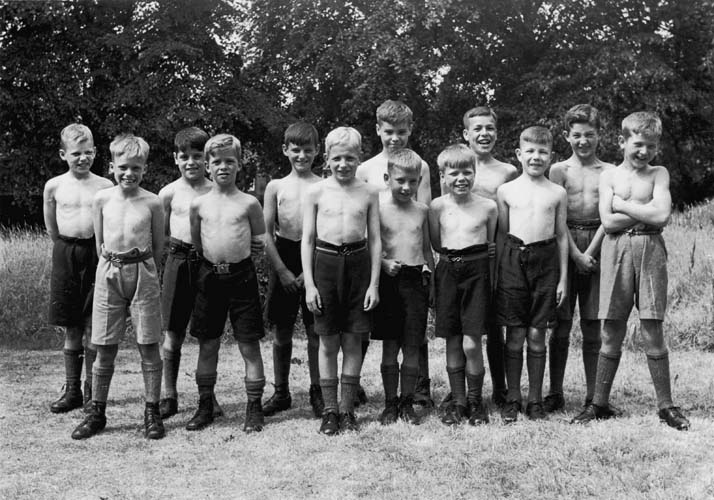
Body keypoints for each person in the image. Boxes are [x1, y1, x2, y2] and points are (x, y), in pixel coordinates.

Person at [571, 112, 689, 430]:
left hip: (651, 250)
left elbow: (662, 215)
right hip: (616, 250)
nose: (644, 152)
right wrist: (644, 212)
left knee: (653, 328)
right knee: (611, 329)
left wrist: (622, 206)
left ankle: (666, 406)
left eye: (651, 146)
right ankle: (598, 403)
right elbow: (607, 224)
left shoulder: (658, 173)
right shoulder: (609, 176)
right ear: (622, 141)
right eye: (638, 144)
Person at [71, 134, 166, 439]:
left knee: (149, 343)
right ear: (111, 166)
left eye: (136, 168)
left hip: (143, 271)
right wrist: (111, 265)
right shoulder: (102, 199)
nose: (129, 173)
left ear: (145, 169)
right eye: (123, 167)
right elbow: (100, 243)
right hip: (109, 271)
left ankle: (152, 411)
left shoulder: (152, 202)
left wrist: (143, 267)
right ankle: (96, 411)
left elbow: (159, 245)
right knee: (104, 345)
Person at [184, 134, 268, 433]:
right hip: (209, 277)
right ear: (207, 166)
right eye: (216, 161)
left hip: (241, 277)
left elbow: (259, 242)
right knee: (208, 344)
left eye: (229, 161)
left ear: (239, 164)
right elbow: (197, 242)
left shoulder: (249, 203)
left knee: (249, 344)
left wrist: (242, 262)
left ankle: (254, 408)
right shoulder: (198, 204)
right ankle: (205, 405)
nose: (223, 167)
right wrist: (213, 262)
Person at [302, 126, 381, 434]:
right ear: (327, 158)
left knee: (352, 339)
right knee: (327, 340)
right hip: (325, 264)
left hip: (358, 265)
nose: (344, 164)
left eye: (350, 158)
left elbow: (375, 239)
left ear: (359, 158)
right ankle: (330, 410)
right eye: (337, 158)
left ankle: (348, 410)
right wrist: (309, 283)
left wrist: (374, 283)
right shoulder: (316, 192)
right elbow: (307, 239)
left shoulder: (369, 192)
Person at [356, 99, 434, 407]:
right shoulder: (365, 169)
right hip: (378, 265)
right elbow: (360, 222)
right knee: (374, 331)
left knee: (415, 334)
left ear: (410, 130)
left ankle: (419, 388)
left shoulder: (420, 166)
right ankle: (359, 384)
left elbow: (421, 216)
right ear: (378, 129)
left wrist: (429, 268)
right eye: (389, 131)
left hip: (413, 265)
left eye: (401, 132)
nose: (395, 138)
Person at [496, 126, 568, 423]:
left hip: (546, 262)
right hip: (513, 261)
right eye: (530, 151)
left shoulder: (557, 193)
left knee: (537, 334)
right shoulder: (507, 190)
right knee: (514, 334)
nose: (535, 157)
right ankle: (513, 396)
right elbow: (501, 235)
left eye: (542, 152)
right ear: (518, 154)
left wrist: (563, 278)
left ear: (551, 156)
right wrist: (498, 274)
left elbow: (562, 236)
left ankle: (535, 399)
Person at [545, 105, 615, 412]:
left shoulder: (610, 172)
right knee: (560, 324)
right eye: (576, 135)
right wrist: (574, 253)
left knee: (591, 325)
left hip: (598, 245)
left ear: (600, 135)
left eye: (589, 134)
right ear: (566, 136)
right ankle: (555, 392)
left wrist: (589, 253)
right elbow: (556, 218)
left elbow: (609, 216)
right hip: (564, 244)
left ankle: (593, 396)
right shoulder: (559, 170)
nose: (583, 141)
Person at [43, 124, 113, 414]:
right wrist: (66, 249)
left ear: (95, 152)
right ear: (63, 154)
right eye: (75, 153)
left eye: (87, 153)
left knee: (93, 325)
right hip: (67, 253)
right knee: (71, 325)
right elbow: (52, 227)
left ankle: (91, 390)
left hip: (97, 253)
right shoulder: (55, 185)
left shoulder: (105, 186)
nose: (82, 158)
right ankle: (71, 389)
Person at [429, 144, 498, 426]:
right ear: (443, 176)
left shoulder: (488, 206)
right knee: (453, 340)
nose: (461, 178)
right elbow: (435, 242)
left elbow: (491, 242)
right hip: (448, 270)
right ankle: (457, 401)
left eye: (467, 172)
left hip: (477, 272)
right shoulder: (437, 206)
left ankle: (474, 400)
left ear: (475, 172)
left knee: (472, 342)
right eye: (453, 173)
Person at [262, 122, 324, 418]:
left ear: (317, 151)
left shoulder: (323, 184)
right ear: (285, 150)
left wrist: (308, 271)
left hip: (314, 256)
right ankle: (281, 391)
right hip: (283, 256)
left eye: (307, 150)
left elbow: (323, 232)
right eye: (295, 149)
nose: (302, 155)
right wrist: (282, 271)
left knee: (316, 333)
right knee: (281, 332)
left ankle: (318, 390)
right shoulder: (276, 186)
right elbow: (265, 233)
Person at [157, 127, 216, 420]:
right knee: (173, 333)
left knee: (208, 333)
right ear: (175, 159)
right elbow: (163, 235)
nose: (191, 162)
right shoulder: (168, 193)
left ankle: (208, 396)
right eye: (185, 156)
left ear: (207, 159)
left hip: (207, 264)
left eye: (197, 156)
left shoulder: (215, 189)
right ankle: (169, 394)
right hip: (178, 262)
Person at [462, 106, 518, 407]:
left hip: (496, 255)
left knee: (496, 326)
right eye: (478, 129)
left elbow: (508, 216)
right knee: (465, 327)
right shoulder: (457, 165)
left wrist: (498, 252)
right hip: (463, 255)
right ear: (466, 134)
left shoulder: (507, 171)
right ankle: (461, 390)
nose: (484, 134)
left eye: (489, 128)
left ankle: (501, 387)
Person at [373, 148, 434, 425]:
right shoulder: (378, 209)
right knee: (390, 346)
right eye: (400, 180)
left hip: (414, 283)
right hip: (388, 282)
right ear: (388, 178)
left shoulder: (422, 211)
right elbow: (369, 246)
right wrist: (384, 263)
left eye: (413, 181)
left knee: (412, 346)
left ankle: (408, 403)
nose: (407, 187)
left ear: (419, 179)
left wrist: (431, 282)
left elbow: (427, 250)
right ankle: (390, 403)